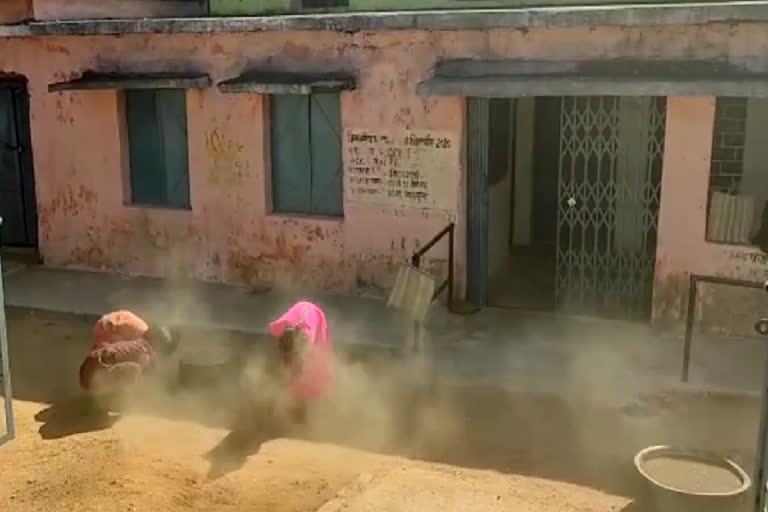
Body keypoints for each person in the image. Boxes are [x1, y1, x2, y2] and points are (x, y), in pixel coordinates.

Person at [79, 310, 180, 413]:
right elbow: (139, 378)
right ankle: (114, 405)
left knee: (130, 370)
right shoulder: (144, 351)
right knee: (134, 370)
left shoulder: (134, 343)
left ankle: (97, 401)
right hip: (96, 377)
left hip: (85, 375)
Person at [268, 301, 334, 424]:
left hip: (307, 330)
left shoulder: (307, 345)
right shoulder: (284, 333)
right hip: (296, 333)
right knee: (292, 373)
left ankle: (301, 410)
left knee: (309, 373)